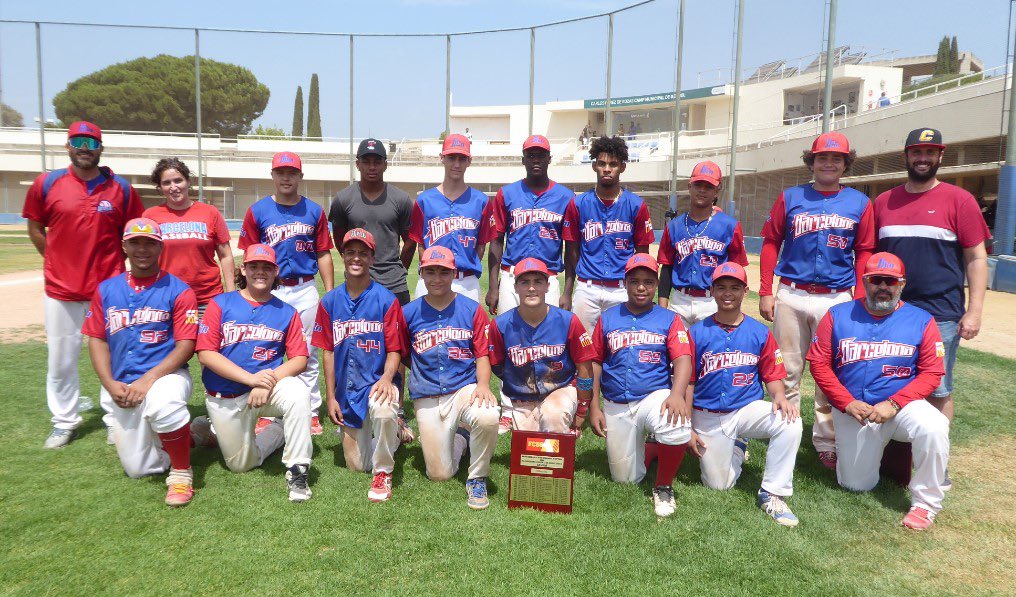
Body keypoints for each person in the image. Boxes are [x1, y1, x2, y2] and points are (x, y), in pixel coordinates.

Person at [757, 131, 875, 469]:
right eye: (822, 156)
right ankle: (786, 433)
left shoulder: (859, 203)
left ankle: (826, 441)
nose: (828, 162)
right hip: (792, 294)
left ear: (845, 163)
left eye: (836, 158)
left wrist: (861, 296)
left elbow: (865, 250)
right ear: (812, 161)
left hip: (835, 298)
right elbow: (770, 242)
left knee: (829, 375)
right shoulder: (791, 196)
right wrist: (767, 290)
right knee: (788, 370)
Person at [807, 252, 949, 530]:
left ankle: (926, 503)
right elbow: (819, 364)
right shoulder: (837, 315)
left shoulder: (921, 320)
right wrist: (846, 402)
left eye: (890, 281)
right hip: (855, 410)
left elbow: (933, 372)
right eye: (876, 280)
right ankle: (876, 460)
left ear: (902, 284)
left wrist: (895, 403)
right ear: (865, 282)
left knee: (934, 426)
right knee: (855, 484)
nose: (883, 286)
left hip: (902, 408)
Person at [23, 121, 144, 449]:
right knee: (61, 360)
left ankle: (112, 417)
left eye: (92, 143)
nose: (85, 148)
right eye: (79, 141)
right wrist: (53, 261)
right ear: (68, 146)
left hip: (108, 291)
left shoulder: (121, 188)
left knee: (113, 358)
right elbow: (35, 227)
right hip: (62, 292)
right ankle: (64, 421)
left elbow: (135, 233)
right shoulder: (47, 183)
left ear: (101, 148)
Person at [873, 128, 990, 437]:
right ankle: (893, 453)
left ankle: (935, 460)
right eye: (916, 152)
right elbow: (871, 258)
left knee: (937, 387)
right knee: (889, 379)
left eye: (929, 152)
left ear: (940, 156)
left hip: (941, 313)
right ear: (906, 156)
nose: (922, 158)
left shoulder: (960, 200)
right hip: (891, 310)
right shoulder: (884, 202)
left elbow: (976, 258)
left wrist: (975, 311)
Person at [82, 218, 199, 506]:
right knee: (138, 469)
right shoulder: (106, 290)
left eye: (150, 243)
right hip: (122, 382)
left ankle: (181, 473)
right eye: (135, 242)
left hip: (166, 375)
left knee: (164, 405)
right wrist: (109, 384)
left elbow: (186, 345)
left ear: (161, 247)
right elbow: (96, 339)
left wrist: (149, 379)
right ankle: (191, 434)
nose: (143, 249)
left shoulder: (179, 290)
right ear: (124, 246)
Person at [191, 243, 314, 502]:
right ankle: (212, 429)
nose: (260, 272)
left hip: (266, 392)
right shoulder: (220, 304)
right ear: (243, 270)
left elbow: (300, 358)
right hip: (225, 396)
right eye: (254, 266)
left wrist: (266, 382)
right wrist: (251, 380)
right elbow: (206, 353)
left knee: (298, 392)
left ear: (275, 272)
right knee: (241, 465)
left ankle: (297, 469)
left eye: (266, 267)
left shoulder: (286, 312)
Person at [686, 262, 802, 527]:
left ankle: (772, 492)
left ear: (745, 291)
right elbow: (687, 383)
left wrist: (779, 397)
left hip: (745, 409)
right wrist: (688, 427)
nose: (728, 293)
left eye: (735, 288)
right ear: (712, 291)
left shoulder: (760, 332)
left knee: (790, 420)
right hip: (707, 415)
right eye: (722, 287)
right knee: (719, 485)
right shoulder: (696, 333)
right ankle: (738, 447)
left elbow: (772, 374)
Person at [482, 135, 577, 433]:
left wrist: (567, 290)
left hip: (547, 276)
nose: (536, 159)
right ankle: (510, 407)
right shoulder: (507, 194)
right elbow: (496, 241)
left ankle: (551, 399)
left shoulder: (565, 197)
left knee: (547, 343)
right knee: (513, 341)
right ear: (523, 159)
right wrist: (494, 285)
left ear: (550, 159)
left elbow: (571, 247)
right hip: (513, 275)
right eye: (530, 154)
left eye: (541, 154)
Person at [587, 254, 693, 518]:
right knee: (625, 479)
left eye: (648, 281)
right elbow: (595, 363)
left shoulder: (669, 319)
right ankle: (653, 448)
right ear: (625, 283)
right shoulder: (608, 318)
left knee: (676, 424)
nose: (641, 287)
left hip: (652, 397)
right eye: (635, 281)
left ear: (656, 284)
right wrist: (594, 407)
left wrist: (677, 394)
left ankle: (664, 485)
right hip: (616, 403)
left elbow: (683, 359)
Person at [239, 151, 334, 435]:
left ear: (300, 177)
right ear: (273, 176)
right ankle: (269, 410)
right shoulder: (257, 211)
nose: (286, 177)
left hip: (305, 288)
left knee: (307, 351)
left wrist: (328, 292)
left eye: (291, 172)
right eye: (280, 172)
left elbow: (323, 253)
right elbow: (248, 256)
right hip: (268, 289)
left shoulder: (314, 210)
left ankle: (311, 410)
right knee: (267, 349)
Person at [312, 229, 409, 503]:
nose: (357, 258)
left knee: (382, 409)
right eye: (351, 252)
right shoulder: (329, 302)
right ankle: (394, 432)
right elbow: (328, 352)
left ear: (372, 258)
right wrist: (330, 397)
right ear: (342, 256)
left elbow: (395, 350)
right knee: (356, 466)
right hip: (347, 391)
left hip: (377, 384)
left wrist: (388, 378)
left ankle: (384, 471)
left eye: (363, 253)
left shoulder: (386, 300)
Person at [401, 246, 499, 510]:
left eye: (443, 272)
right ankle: (462, 438)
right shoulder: (408, 313)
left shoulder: (471, 309)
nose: (436, 278)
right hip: (426, 395)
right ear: (421, 273)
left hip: (462, 390)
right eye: (430, 271)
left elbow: (481, 354)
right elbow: (401, 356)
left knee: (488, 415)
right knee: (439, 474)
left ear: (454, 273)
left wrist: (482, 385)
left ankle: (477, 477)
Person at [487, 258, 594, 434]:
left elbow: (585, 366)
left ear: (547, 286)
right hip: (523, 398)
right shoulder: (500, 325)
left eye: (538, 282)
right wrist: (517, 386)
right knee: (528, 447)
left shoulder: (568, 321)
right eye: (524, 282)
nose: (531, 288)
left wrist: (582, 408)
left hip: (562, 389)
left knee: (553, 416)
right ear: (515, 287)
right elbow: (497, 366)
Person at [562, 135, 655, 333]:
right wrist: (567, 292)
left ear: (622, 167)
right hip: (587, 289)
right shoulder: (578, 204)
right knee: (583, 349)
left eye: (613, 164)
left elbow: (642, 255)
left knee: (618, 348)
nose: (606, 168)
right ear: (594, 165)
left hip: (622, 289)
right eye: (602, 163)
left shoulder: (636, 205)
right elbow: (571, 252)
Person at [657, 160, 748, 327]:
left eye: (708, 187)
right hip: (679, 300)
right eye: (698, 184)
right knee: (677, 352)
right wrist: (662, 308)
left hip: (712, 301)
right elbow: (667, 268)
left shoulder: (730, 226)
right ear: (689, 186)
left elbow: (737, 272)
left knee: (710, 352)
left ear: (716, 191)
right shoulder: (674, 226)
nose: (702, 190)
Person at [329, 138, 416, 306]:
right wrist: (356, 261)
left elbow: (410, 241)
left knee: (396, 333)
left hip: (394, 285)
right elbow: (340, 240)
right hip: (357, 284)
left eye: (377, 162)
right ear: (357, 164)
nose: (371, 167)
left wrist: (398, 270)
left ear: (385, 164)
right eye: (366, 161)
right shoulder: (343, 199)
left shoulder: (401, 199)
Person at [143, 157, 234, 316]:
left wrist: (231, 293)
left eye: (178, 180)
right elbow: (143, 257)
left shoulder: (210, 212)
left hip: (207, 299)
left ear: (188, 181)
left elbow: (225, 255)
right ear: (160, 187)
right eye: (166, 183)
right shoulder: (150, 216)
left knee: (206, 342)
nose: (173, 187)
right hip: (166, 299)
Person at [408, 134, 488, 302]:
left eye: (462, 158)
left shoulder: (481, 201)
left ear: (469, 161)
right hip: (431, 280)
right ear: (442, 158)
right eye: (451, 158)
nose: (457, 164)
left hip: (466, 282)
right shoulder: (424, 200)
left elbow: (480, 246)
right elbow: (421, 245)